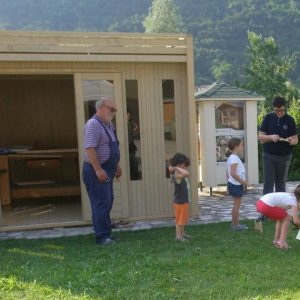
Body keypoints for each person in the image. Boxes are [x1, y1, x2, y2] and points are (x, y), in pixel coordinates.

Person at [82, 97, 122, 245]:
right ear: (100, 107)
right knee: (101, 203)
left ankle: (106, 234)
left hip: (108, 170)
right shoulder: (93, 124)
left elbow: (112, 146)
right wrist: (98, 169)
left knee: (108, 201)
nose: (113, 112)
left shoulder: (109, 124)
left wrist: (116, 165)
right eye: (112, 109)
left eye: (115, 110)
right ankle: (102, 237)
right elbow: (90, 148)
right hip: (96, 171)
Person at [255, 96, 298, 230]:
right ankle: (265, 213)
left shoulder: (290, 120)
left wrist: (292, 140)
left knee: (281, 183)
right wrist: (271, 137)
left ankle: (280, 213)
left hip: (285, 156)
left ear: (285, 108)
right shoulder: (268, 118)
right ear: (273, 108)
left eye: (281, 110)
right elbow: (260, 137)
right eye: (276, 110)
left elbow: (296, 139)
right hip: (269, 155)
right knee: (268, 182)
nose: (279, 112)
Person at [256, 184, 300, 249]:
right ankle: (282, 242)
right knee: (287, 218)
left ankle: (276, 241)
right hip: (266, 205)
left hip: (261, 202)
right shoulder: (293, 201)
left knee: (281, 218)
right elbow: (296, 221)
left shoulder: (291, 196)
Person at [226, 137, 248, 231]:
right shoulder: (234, 158)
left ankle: (234, 223)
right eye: (241, 145)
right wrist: (243, 182)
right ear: (236, 147)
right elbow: (233, 173)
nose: (243, 147)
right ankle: (236, 225)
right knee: (237, 205)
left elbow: (227, 173)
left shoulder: (232, 157)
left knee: (236, 204)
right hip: (236, 184)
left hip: (234, 184)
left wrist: (228, 184)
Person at [168, 152, 191, 242]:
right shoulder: (177, 175)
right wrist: (176, 168)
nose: (184, 167)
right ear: (178, 164)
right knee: (180, 221)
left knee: (183, 219)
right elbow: (186, 173)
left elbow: (185, 172)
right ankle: (179, 237)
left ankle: (183, 234)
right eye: (183, 165)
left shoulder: (178, 173)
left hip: (183, 201)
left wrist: (176, 167)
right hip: (180, 202)